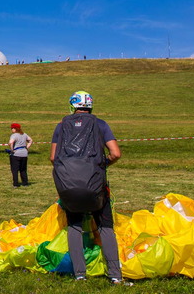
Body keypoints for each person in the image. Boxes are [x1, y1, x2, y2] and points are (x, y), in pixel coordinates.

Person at [50, 91, 129, 285]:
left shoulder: (61, 127)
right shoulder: (100, 124)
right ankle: (115, 275)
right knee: (105, 227)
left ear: (72, 106)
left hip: (69, 185)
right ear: (90, 106)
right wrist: (101, 165)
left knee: (74, 226)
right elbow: (116, 153)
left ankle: (79, 274)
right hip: (96, 185)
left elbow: (53, 157)